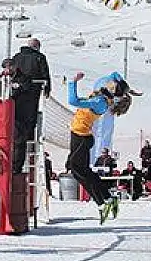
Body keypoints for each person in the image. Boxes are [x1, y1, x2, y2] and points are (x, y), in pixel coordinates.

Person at [65, 71, 132, 224]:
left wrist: (73, 81)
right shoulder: (102, 96)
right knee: (80, 172)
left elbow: (73, 100)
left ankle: (103, 201)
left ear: (113, 88)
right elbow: (114, 74)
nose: (107, 82)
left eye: (111, 83)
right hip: (79, 135)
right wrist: (124, 85)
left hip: (82, 137)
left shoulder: (100, 102)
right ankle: (106, 199)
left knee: (80, 172)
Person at [11, 38, 51, 174]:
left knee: (17, 124)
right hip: (32, 93)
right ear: (37, 47)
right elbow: (45, 74)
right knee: (30, 121)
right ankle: (29, 140)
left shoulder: (16, 57)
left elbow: (12, 72)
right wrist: (47, 89)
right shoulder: (39, 57)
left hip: (17, 94)